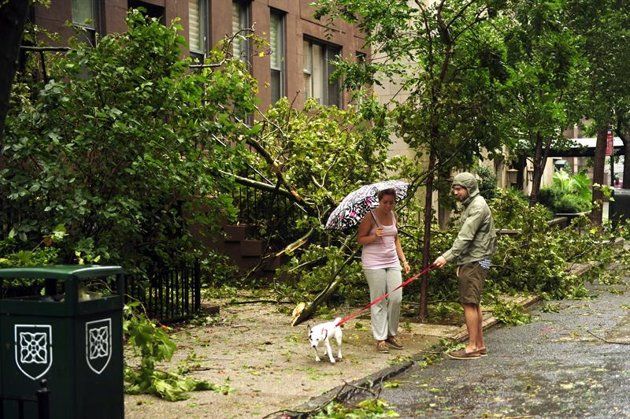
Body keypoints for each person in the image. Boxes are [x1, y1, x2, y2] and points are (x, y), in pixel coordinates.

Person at [433, 172, 497, 360]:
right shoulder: (474, 204)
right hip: (480, 258)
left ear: (469, 189)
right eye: (454, 188)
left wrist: (447, 257)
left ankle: (471, 347)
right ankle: (479, 345)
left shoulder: (477, 207)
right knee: (474, 300)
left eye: (458, 188)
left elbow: (466, 237)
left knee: (468, 301)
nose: (455, 192)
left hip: (476, 260)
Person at [358, 188, 411, 353]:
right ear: (379, 201)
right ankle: (380, 338)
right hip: (373, 263)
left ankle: (391, 334)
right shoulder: (370, 217)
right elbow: (360, 239)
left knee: (396, 298)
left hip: (392, 261)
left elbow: (396, 239)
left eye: (391, 202)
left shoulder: (393, 216)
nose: (388, 205)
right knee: (379, 300)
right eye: (385, 202)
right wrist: (374, 237)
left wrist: (404, 260)